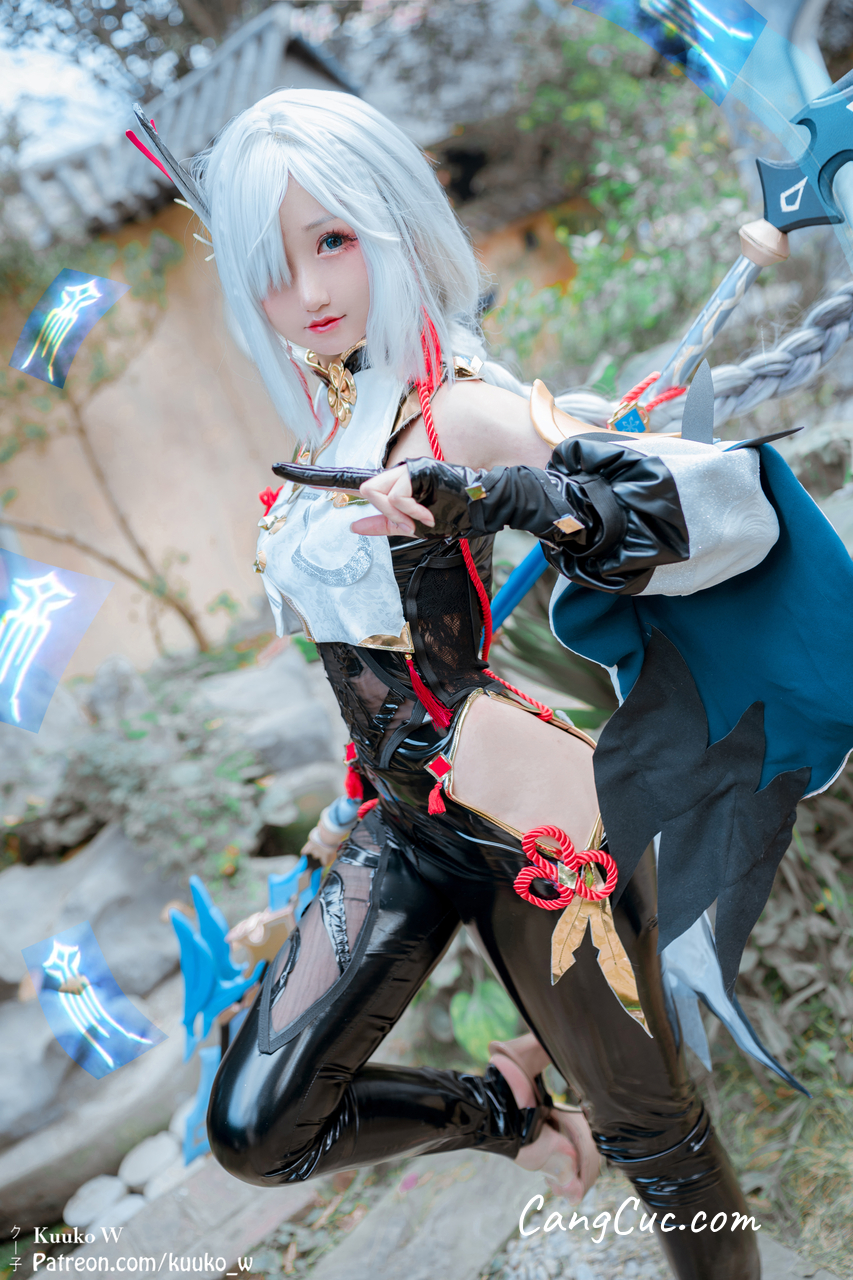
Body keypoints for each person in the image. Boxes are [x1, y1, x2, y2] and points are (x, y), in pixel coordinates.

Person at [133, 87, 791, 1279]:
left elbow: (689, 511)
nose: (310, 291)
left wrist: (496, 496)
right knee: (258, 1123)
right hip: (401, 826)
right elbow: (361, 672)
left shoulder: (466, 409)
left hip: (537, 828)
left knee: (656, 1135)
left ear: (391, 224)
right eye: (273, 267)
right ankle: (512, 1115)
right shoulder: (329, 440)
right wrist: (338, 823)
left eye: (333, 239)